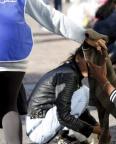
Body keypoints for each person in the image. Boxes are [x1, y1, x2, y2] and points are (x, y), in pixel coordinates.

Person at [0, 0, 107, 143]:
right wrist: (84, 36)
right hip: (14, 52)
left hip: (13, 52)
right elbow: (51, 17)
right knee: (9, 106)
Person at [26, 47, 101, 143]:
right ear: (78, 58)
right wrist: (93, 130)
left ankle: (64, 135)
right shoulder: (68, 75)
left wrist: (95, 124)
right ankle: (62, 136)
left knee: (83, 92)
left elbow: (78, 108)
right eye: (88, 61)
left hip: (42, 124)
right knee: (83, 93)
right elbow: (63, 116)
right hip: (37, 129)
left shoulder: (71, 71)